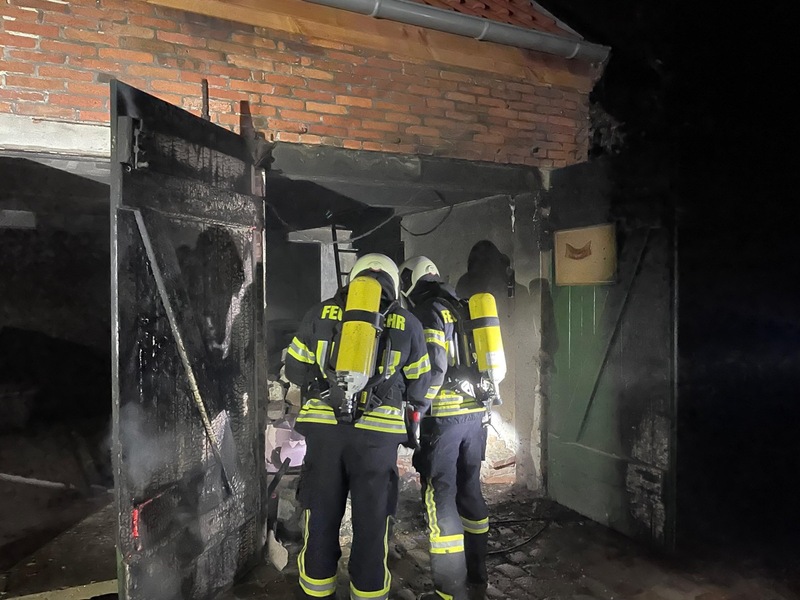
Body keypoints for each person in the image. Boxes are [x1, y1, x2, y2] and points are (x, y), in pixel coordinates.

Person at [285, 253, 433, 600]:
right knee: (372, 522)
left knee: (319, 516)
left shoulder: (319, 313)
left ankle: (317, 590)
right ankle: (368, 592)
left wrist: (324, 386)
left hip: (324, 433)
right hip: (376, 441)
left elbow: (293, 370)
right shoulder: (407, 322)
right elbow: (420, 385)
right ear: (395, 284)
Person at [399, 256, 491, 600]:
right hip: (475, 416)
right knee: (471, 491)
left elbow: (434, 368)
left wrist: (417, 411)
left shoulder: (428, 310)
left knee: (441, 497)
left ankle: (449, 591)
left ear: (412, 280)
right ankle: (478, 575)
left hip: (445, 420)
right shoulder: (462, 306)